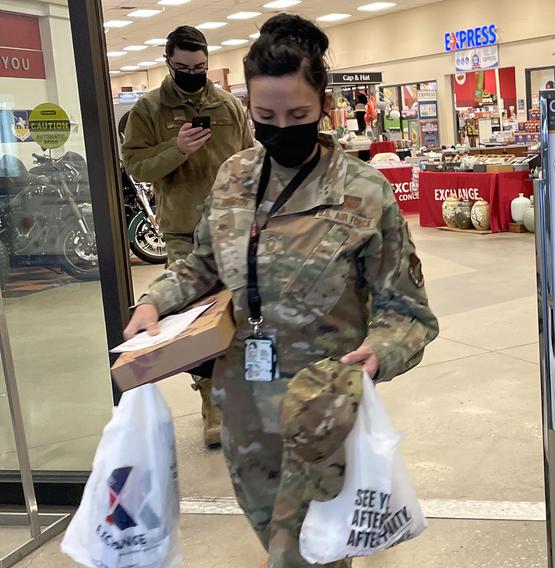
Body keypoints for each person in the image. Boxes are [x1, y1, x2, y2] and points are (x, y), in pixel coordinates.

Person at [123, 13, 438, 568]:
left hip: (321, 402)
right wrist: (154, 300)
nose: (280, 127)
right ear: (247, 108)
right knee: (274, 534)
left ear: (323, 108)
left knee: (304, 552)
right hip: (242, 399)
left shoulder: (363, 192)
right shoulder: (234, 175)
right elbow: (202, 264)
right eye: (264, 116)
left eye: (298, 115)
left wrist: (378, 355)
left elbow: (408, 313)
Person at [121, 25, 254, 449]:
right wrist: (177, 148)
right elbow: (136, 167)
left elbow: (252, 155)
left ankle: (242, 394)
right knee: (196, 316)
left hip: (236, 226)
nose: (194, 73)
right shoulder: (149, 110)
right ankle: (211, 403)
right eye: (184, 67)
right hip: (184, 229)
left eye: (200, 66)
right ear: (168, 63)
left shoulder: (228, 105)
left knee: (242, 311)